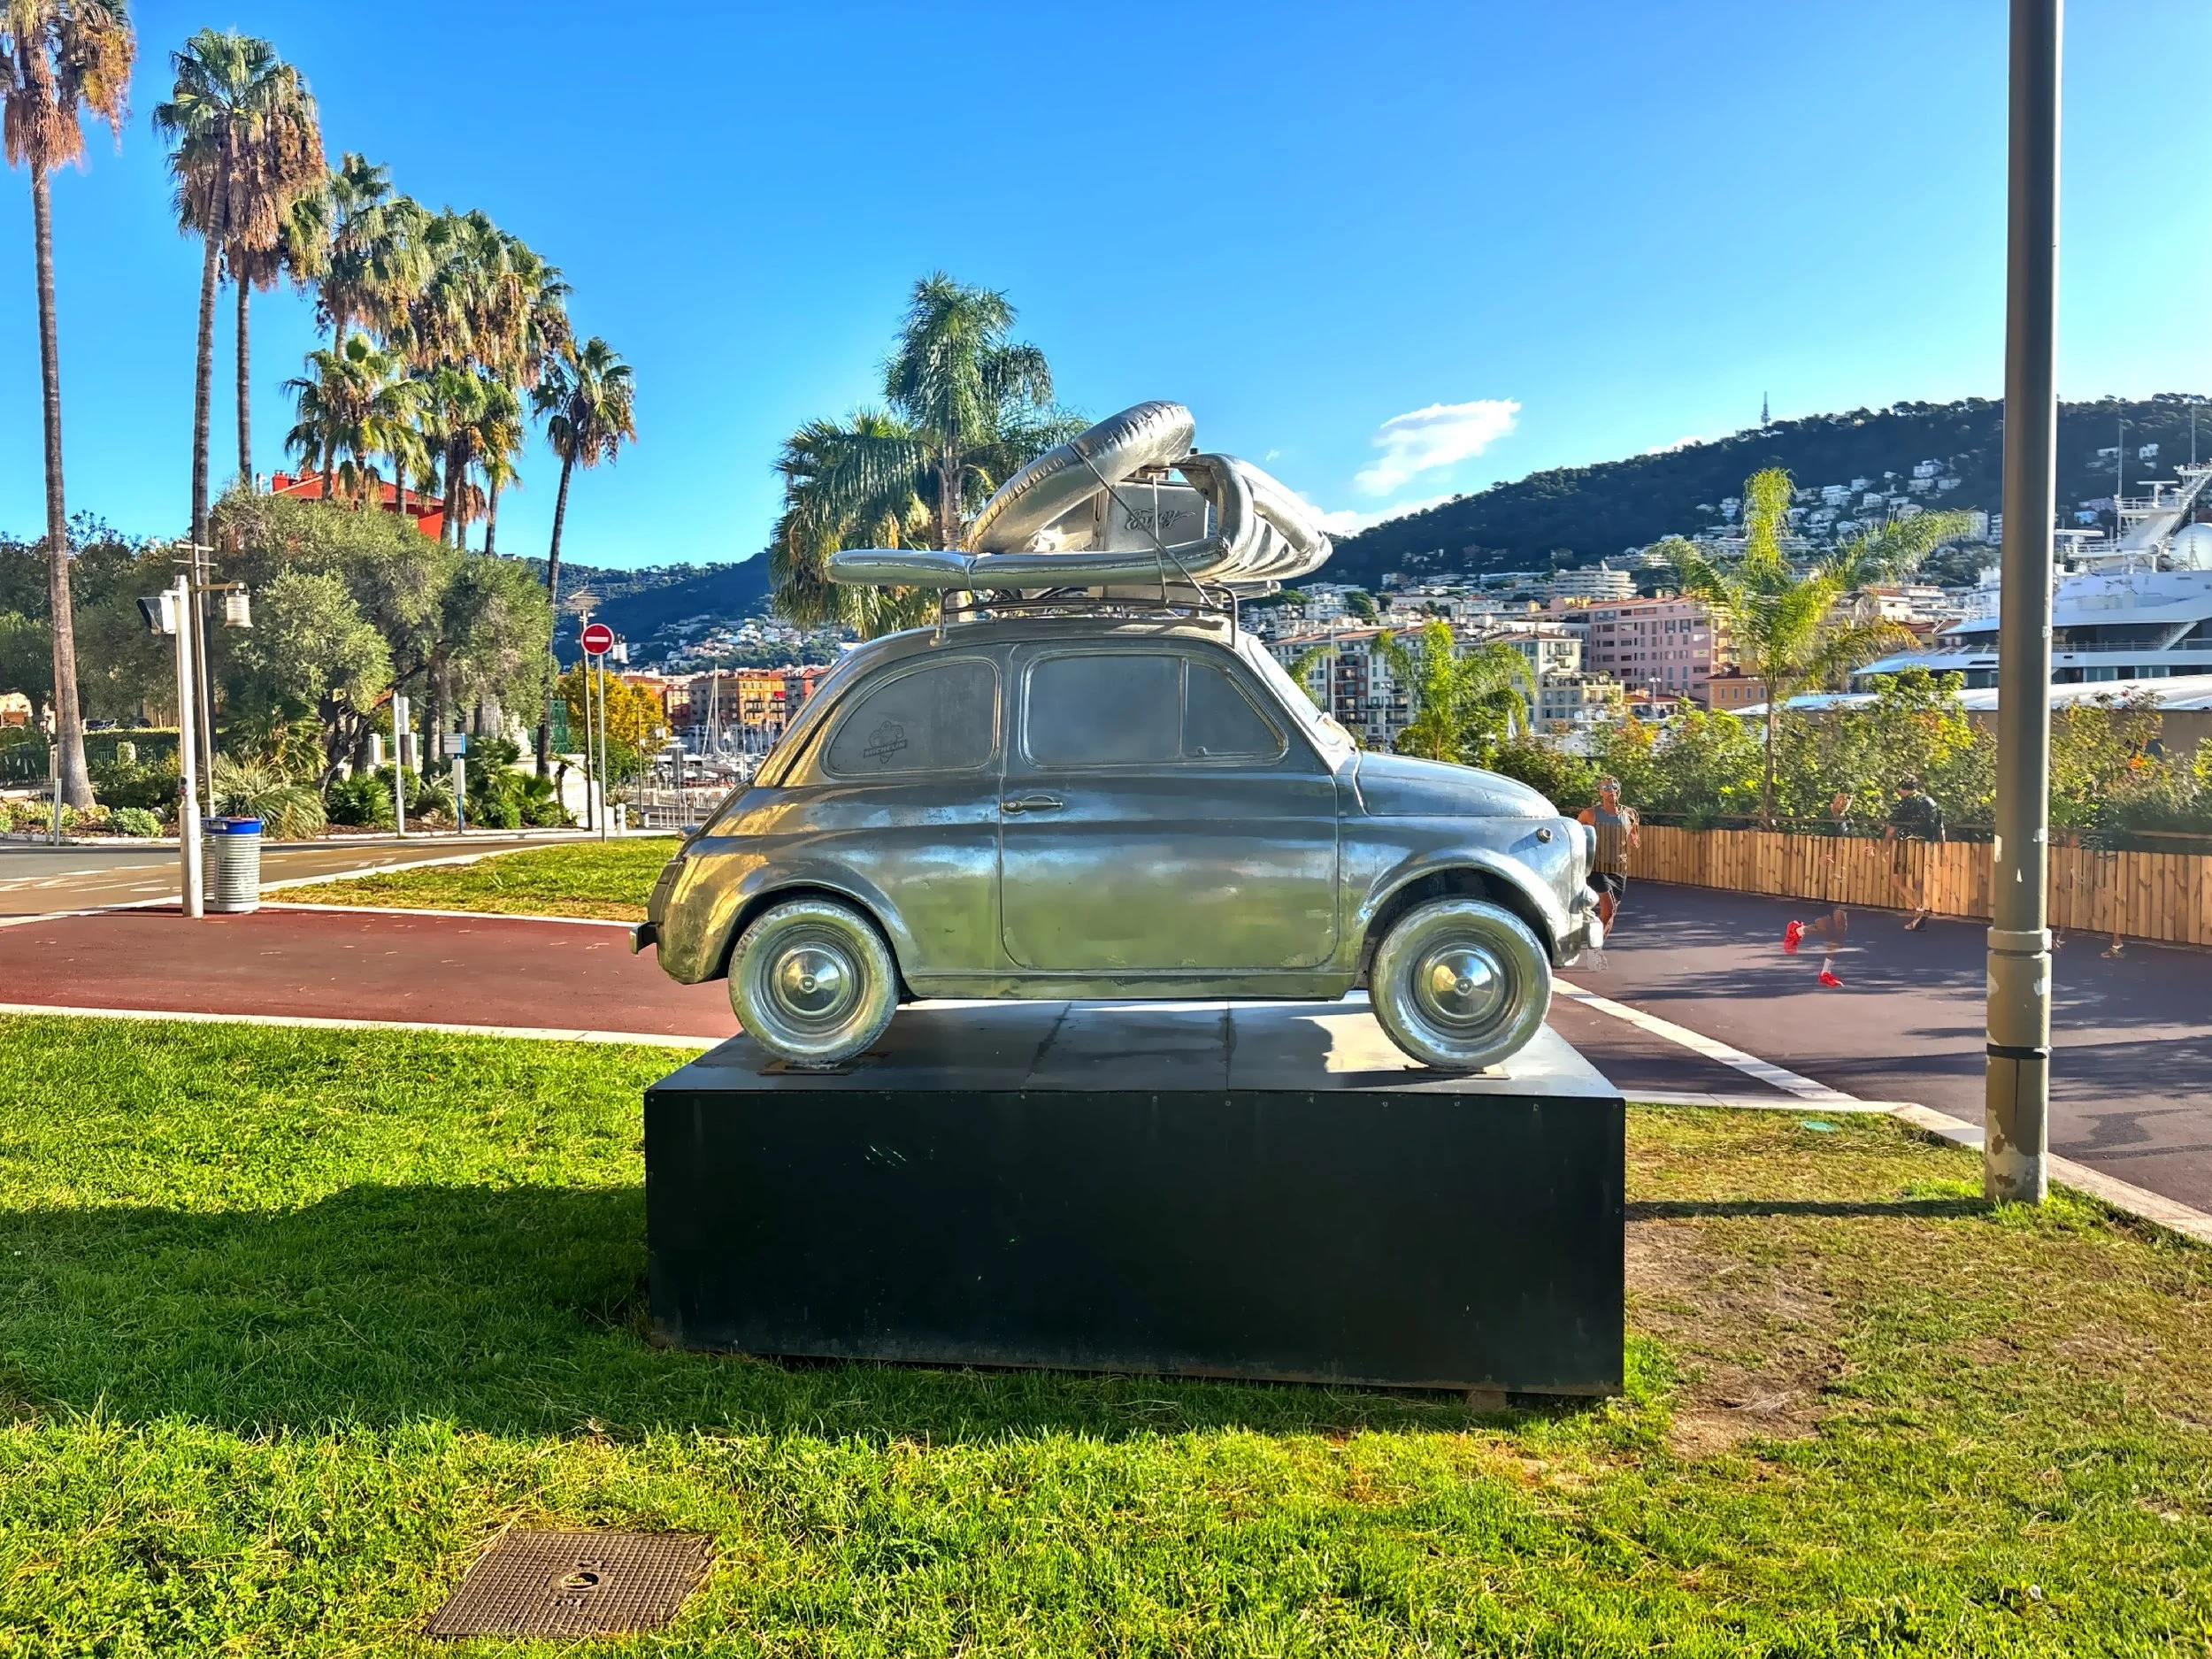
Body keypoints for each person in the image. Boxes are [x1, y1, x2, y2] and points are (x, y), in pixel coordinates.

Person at [1784, 790, 1855, 986]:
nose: (1844, 801)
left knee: (1840, 929)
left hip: (1839, 878)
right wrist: (1819, 860)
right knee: (1826, 928)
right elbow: (1807, 848)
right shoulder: (1821, 820)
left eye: (1848, 798)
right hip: (1819, 880)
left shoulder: (1850, 823)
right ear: (1833, 798)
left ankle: (1825, 972)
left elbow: (1850, 849)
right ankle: (1798, 931)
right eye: (1841, 797)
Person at [1578, 777, 1639, 932]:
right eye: (1606, 788)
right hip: (1597, 867)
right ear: (1601, 793)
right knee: (1609, 909)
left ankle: (1596, 948)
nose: (1611, 790)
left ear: (1618, 789)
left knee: (1610, 915)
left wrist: (1633, 839)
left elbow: (1635, 840)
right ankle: (1592, 944)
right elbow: (1575, 834)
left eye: (1614, 786)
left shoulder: (1630, 814)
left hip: (1619, 868)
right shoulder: (1589, 814)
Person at [1884, 776, 1944, 930]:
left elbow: (1892, 830)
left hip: (1906, 845)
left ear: (1901, 789)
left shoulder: (1902, 804)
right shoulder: (1931, 802)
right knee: (1919, 881)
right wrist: (1941, 848)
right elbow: (1939, 827)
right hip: (1926, 844)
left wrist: (1886, 848)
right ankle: (1919, 913)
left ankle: (1919, 908)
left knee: (1897, 879)